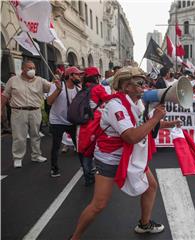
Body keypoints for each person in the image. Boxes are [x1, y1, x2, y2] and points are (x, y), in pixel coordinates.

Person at [70, 66, 181, 239]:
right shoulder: (115, 106)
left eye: (144, 82)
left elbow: (141, 125)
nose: (143, 86)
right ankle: (74, 237)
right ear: (125, 86)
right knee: (99, 204)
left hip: (130, 155)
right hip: (110, 158)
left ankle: (144, 224)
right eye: (138, 83)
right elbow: (131, 136)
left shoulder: (136, 102)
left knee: (150, 187)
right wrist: (155, 118)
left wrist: (169, 123)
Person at [1, 60, 50, 168]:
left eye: (33, 68)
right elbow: (5, 95)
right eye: (29, 68)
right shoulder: (13, 80)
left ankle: (36, 155)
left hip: (35, 111)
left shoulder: (40, 81)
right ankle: (18, 158)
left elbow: (52, 89)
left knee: (36, 135)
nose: (32, 70)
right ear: (22, 69)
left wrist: (58, 83)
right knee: (19, 136)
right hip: (18, 111)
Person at [47, 66, 82, 177]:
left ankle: (85, 167)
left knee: (80, 145)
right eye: (77, 74)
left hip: (71, 121)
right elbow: (49, 102)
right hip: (57, 121)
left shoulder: (78, 89)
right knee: (56, 145)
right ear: (70, 76)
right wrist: (58, 90)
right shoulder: (57, 85)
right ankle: (54, 168)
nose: (79, 77)